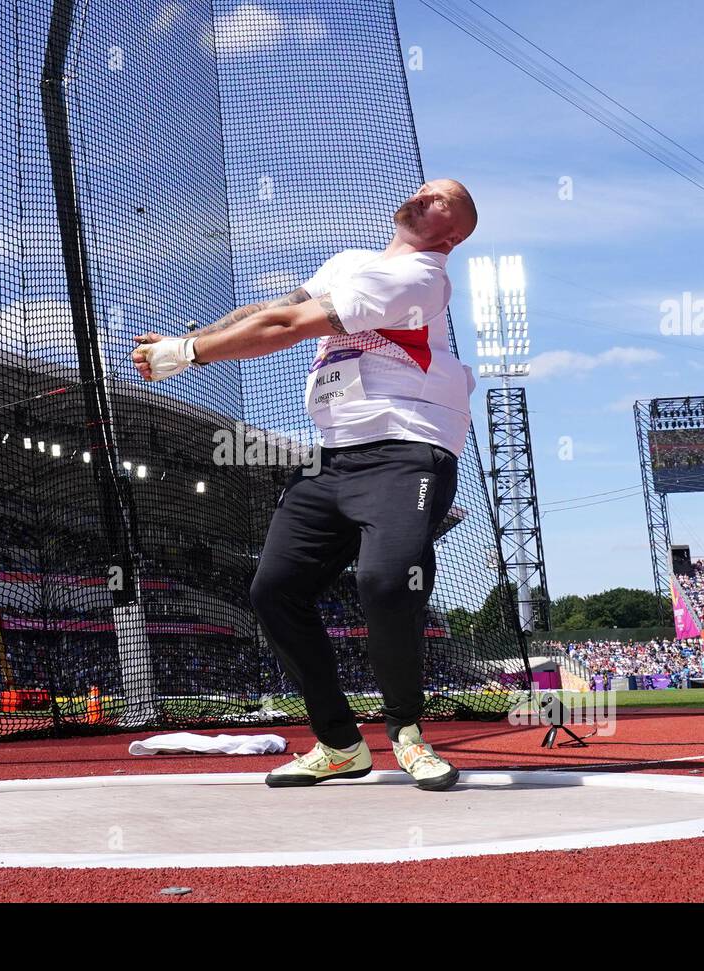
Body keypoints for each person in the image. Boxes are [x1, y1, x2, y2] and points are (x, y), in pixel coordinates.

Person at [132, 179, 478, 791]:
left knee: (385, 580)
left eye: (444, 200)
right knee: (275, 591)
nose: (426, 196)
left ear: (452, 235)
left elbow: (290, 324)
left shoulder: (422, 278)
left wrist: (191, 354)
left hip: (407, 448)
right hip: (334, 458)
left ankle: (406, 733)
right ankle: (340, 744)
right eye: (425, 190)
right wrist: (192, 339)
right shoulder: (351, 263)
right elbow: (267, 312)